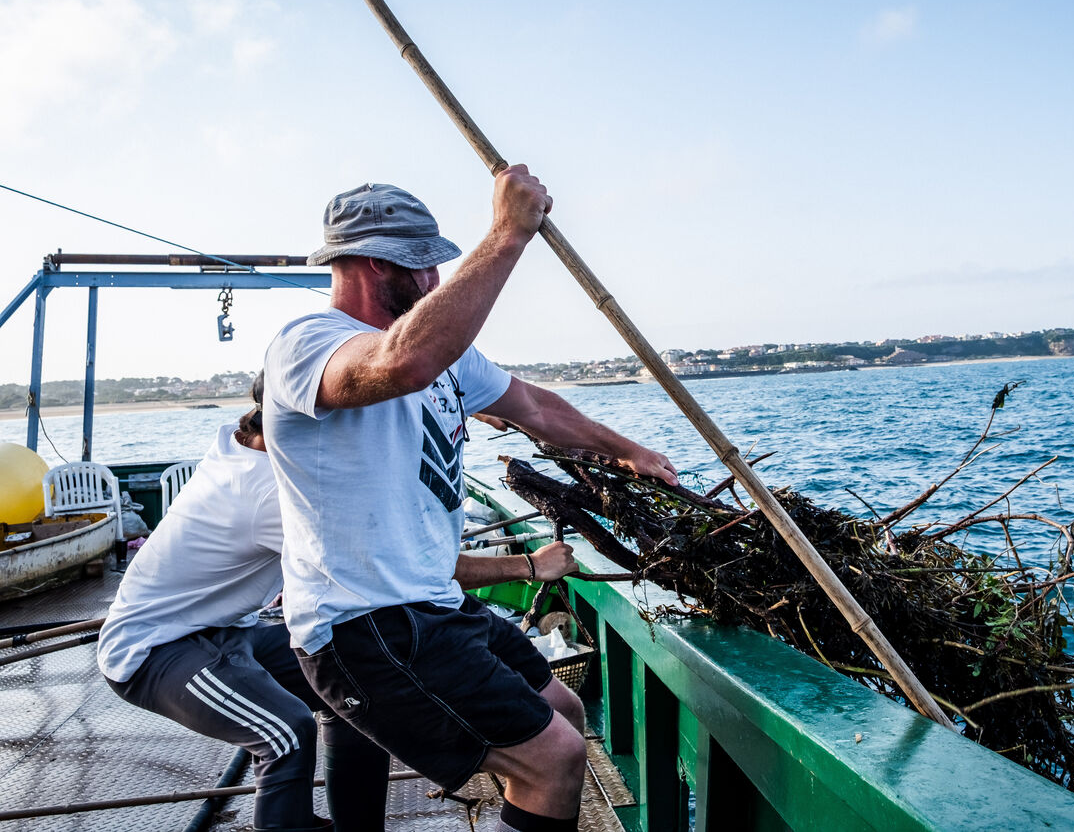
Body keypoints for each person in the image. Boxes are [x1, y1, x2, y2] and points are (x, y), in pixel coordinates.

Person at [262, 170, 677, 832]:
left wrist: (631, 451)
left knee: (565, 712)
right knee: (554, 758)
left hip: (433, 604)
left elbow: (534, 406)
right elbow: (400, 364)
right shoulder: (308, 343)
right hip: (363, 625)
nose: (436, 279)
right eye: (424, 264)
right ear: (376, 263)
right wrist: (508, 234)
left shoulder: (447, 353)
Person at [97, 376, 388, 832]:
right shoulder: (265, 490)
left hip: (227, 630)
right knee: (286, 733)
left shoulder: (236, 445)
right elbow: (371, 565)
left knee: (354, 686)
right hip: (153, 650)